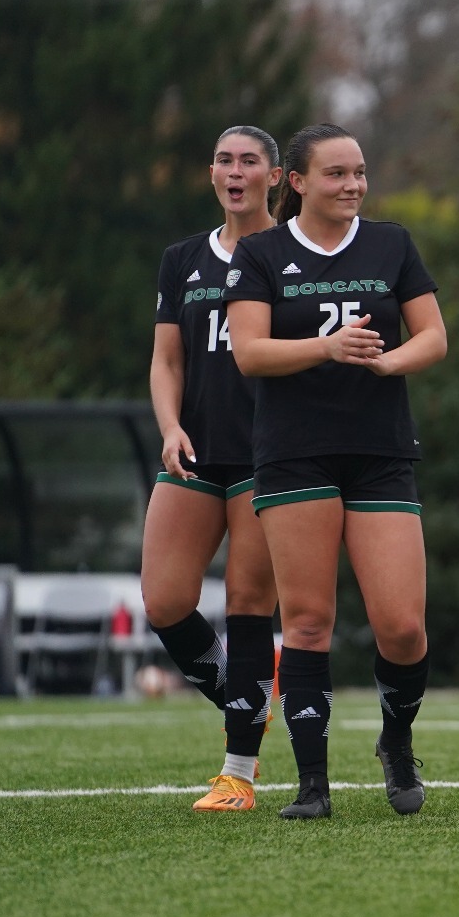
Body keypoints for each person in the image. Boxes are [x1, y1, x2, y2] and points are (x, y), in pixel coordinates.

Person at [224, 123, 448, 820]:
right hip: (295, 451)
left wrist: (388, 361)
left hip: (379, 451)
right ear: (296, 181)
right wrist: (326, 347)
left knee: (403, 626)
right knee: (311, 622)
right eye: (336, 174)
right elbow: (249, 353)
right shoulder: (262, 253)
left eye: (359, 172)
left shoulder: (391, 243)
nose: (353, 185)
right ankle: (312, 785)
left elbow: (434, 336)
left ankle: (397, 741)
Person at [142, 126, 282, 812]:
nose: (235, 171)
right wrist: (170, 426)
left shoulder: (294, 255)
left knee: (248, 603)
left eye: (249, 160)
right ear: (210, 174)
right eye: (225, 160)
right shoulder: (183, 259)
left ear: (277, 177)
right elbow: (167, 360)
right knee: (165, 600)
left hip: (268, 453)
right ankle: (247, 701)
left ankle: (237, 774)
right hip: (195, 453)